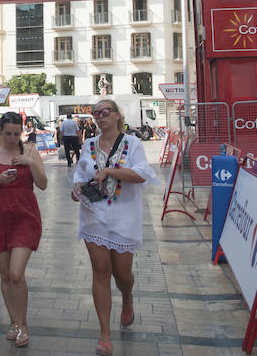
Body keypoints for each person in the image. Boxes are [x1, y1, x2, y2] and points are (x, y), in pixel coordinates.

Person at [71, 99, 159, 355]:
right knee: (101, 271)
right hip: (93, 214)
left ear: (118, 115)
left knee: (122, 275)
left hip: (124, 217)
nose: (99, 116)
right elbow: (80, 174)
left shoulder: (133, 143)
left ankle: (127, 296)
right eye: (95, 113)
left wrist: (111, 171)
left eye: (105, 111)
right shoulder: (88, 144)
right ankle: (105, 333)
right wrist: (77, 188)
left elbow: (143, 174)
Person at [0, 112, 47, 348]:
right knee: (6, 274)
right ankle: (14, 322)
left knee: (16, 273)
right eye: (7, 133)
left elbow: (43, 184)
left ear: (22, 131)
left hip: (25, 217)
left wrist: (30, 164)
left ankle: (22, 324)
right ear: (0, 130)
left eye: (16, 133)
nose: (12, 138)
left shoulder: (29, 152)